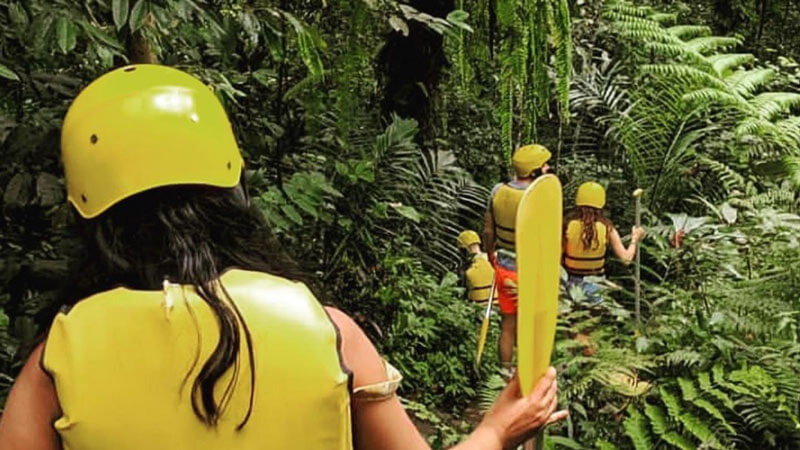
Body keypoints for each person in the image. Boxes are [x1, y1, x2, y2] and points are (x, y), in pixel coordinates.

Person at [0, 65, 567, 450]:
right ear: (232, 188)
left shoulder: (56, 362)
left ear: (85, 210)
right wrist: (494, 431)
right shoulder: (326, 331)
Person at [484, 144, 552, 374]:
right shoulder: (538, 197)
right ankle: (526, 375)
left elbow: (488, 231)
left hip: (503, 266)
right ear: (534, 170)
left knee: (508, 325)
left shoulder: (497, 191)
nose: (548, 168)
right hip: (530, 270)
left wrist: (490, 254)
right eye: (544, 165)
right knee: (530, 327)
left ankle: (505, 374)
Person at [562, 182, 645, 305]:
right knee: (593, 321)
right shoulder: (607, 227)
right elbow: (626, 259)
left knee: (574, 322)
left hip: (570, 282)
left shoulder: (567, 225)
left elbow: (556, 258)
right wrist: (635, 239)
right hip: (596, 282)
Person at [457, 230, 495, 304]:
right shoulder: (493, 259)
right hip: (499, 306)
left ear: (464, 250)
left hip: (477, 309)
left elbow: (461, 292)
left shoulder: (466, 268)